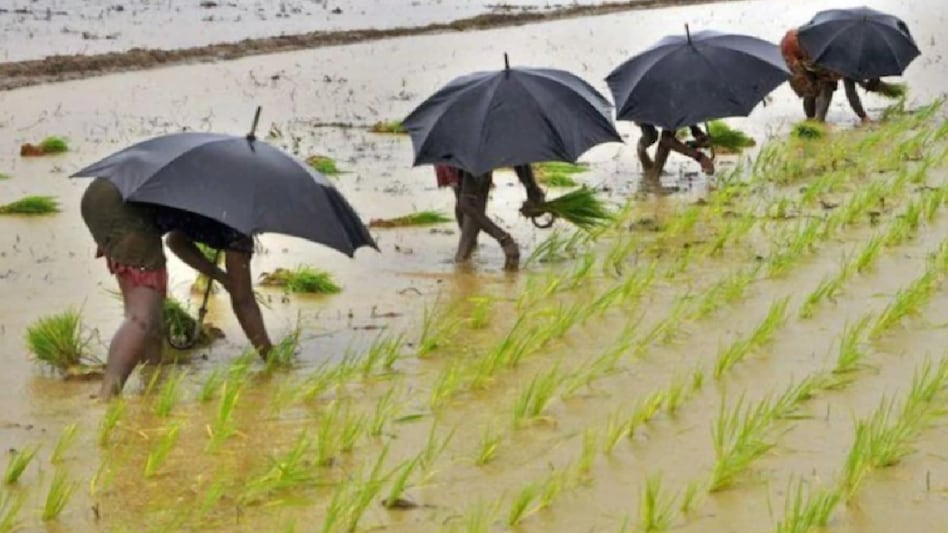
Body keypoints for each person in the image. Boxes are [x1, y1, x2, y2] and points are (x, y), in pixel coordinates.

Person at [80, 178, 168, 398]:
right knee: (141, 318)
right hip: (124, 211)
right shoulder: (220, 200)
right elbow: (178, 241)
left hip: (100, 196)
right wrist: (220, 276)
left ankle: (153, 381)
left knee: (150, 314)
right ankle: (107, 395)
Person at [154, 207, 274, 360]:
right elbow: (174, 241)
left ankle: (268, 355)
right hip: (232, 224)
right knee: (242, 297)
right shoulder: (239, 223)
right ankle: (269, 357)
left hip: (215, 216)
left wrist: (220, 277)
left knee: (241, 295)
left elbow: (174, 240)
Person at [434, 163, 545, 271]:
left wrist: (532, 191)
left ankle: (465, 255)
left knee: (466, 192)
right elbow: (467, 203)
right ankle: (463, 260)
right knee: (472, 195)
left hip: (456, 155)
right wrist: (505, 240)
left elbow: (517, 155)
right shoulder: (477, 157)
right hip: (465, 157)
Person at [781, 28, 891, 124]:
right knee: (815, 89)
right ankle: (814, 120)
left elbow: (852, 89)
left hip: (811, 57)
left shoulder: (850, 59)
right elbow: (851, 91)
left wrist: (863, 116)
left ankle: (815, 121)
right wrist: (864, 117)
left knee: (821, 88)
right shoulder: (840, 55)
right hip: (800, 57)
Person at [637, 123, 715, 192]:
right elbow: (666, 139)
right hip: (644, 110)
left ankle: (654, 176)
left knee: (658, 136)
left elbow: (686, 111)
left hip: (664, 111)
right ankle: (652, 176)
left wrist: (697, 132)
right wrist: (700, 157)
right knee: (651, 137)